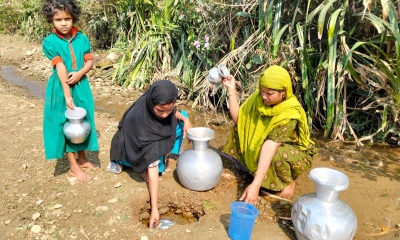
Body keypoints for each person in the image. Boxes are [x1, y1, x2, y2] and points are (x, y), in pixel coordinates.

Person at [221, 65, 316, 204]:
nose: (264, 96)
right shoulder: (258, 99)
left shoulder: (289, 113)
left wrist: (256, 185)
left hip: (289, 150)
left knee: (276, 154)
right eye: (262, 91)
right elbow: (239, 121)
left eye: (269, 94)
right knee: (241, 130)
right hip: (265, 143)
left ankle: (288, 181)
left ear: (283, 91)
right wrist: (231, 90)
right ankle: (256, 171)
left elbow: (270, 146)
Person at [108, 80, 193, 228]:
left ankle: (166, 153)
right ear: (150, 103)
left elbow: (172, 112)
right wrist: (154, 208)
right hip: (131, 150)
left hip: (151, 139)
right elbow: (152, 165)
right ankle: (140, 169)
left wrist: (186, 119)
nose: (165, 114)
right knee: (156, 169)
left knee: (181, 117)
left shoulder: (165, 109)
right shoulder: (139, 121)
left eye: (169, 109)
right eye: (160, 111)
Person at [42, 0, 99, 182]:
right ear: (51, 20)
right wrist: (67, 94)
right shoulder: (49, 43)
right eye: (58, 19)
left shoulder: (82, 38)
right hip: (60, 88)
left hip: (81, 86)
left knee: (82, 122)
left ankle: (82, 159)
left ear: (73, 17)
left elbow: (89, 61)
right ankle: (74, 167)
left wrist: (80, 73)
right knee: (66, 125)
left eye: (67, 18)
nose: (64, 23)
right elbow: (60, 68)